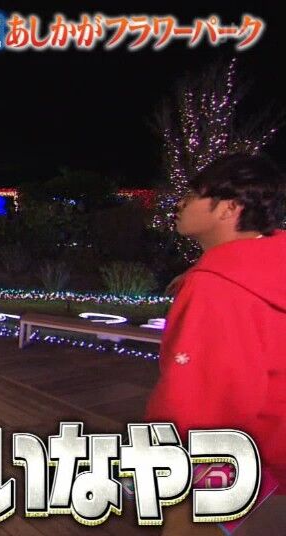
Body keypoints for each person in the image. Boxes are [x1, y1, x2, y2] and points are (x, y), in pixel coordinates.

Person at [144, 153, 286, 533]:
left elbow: (200, 400)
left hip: (232, 468)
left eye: (193, 195)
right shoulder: (267, 267)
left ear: (229, 208)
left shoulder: (217, 287)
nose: (180, 203)